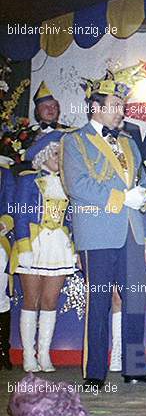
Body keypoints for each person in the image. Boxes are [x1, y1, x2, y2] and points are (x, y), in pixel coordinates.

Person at [60, 70, 146, 388]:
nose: (121, 111)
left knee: (137, 300)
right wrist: (122, 197)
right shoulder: (74, 141)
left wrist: (144, 194)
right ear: (96, 107)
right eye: (115, 104)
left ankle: (136, 368)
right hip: (96, 232)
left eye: (122, 105)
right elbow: (77, 185)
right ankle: (95, 372)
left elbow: (144, 179)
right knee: (99, 301)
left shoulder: (128, 142)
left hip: (132, 231)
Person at [11, 136, 76, 372]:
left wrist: (74, 244)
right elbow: (20, 214)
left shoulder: (69, 184)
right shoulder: (29, 181)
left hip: (58, 245)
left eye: (62, 155)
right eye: (56, 154)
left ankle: (45, 354)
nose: (60, 159)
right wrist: (24, 247)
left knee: (50, 301)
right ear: (44, 156)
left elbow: (71, 218)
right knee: (31, 300)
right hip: (34, 242)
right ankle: (29, 355)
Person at [0, 154, 14, 370]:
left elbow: (11, 206)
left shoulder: (4, 174)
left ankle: (2, 350)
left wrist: (3, 223)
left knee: (0, 297)